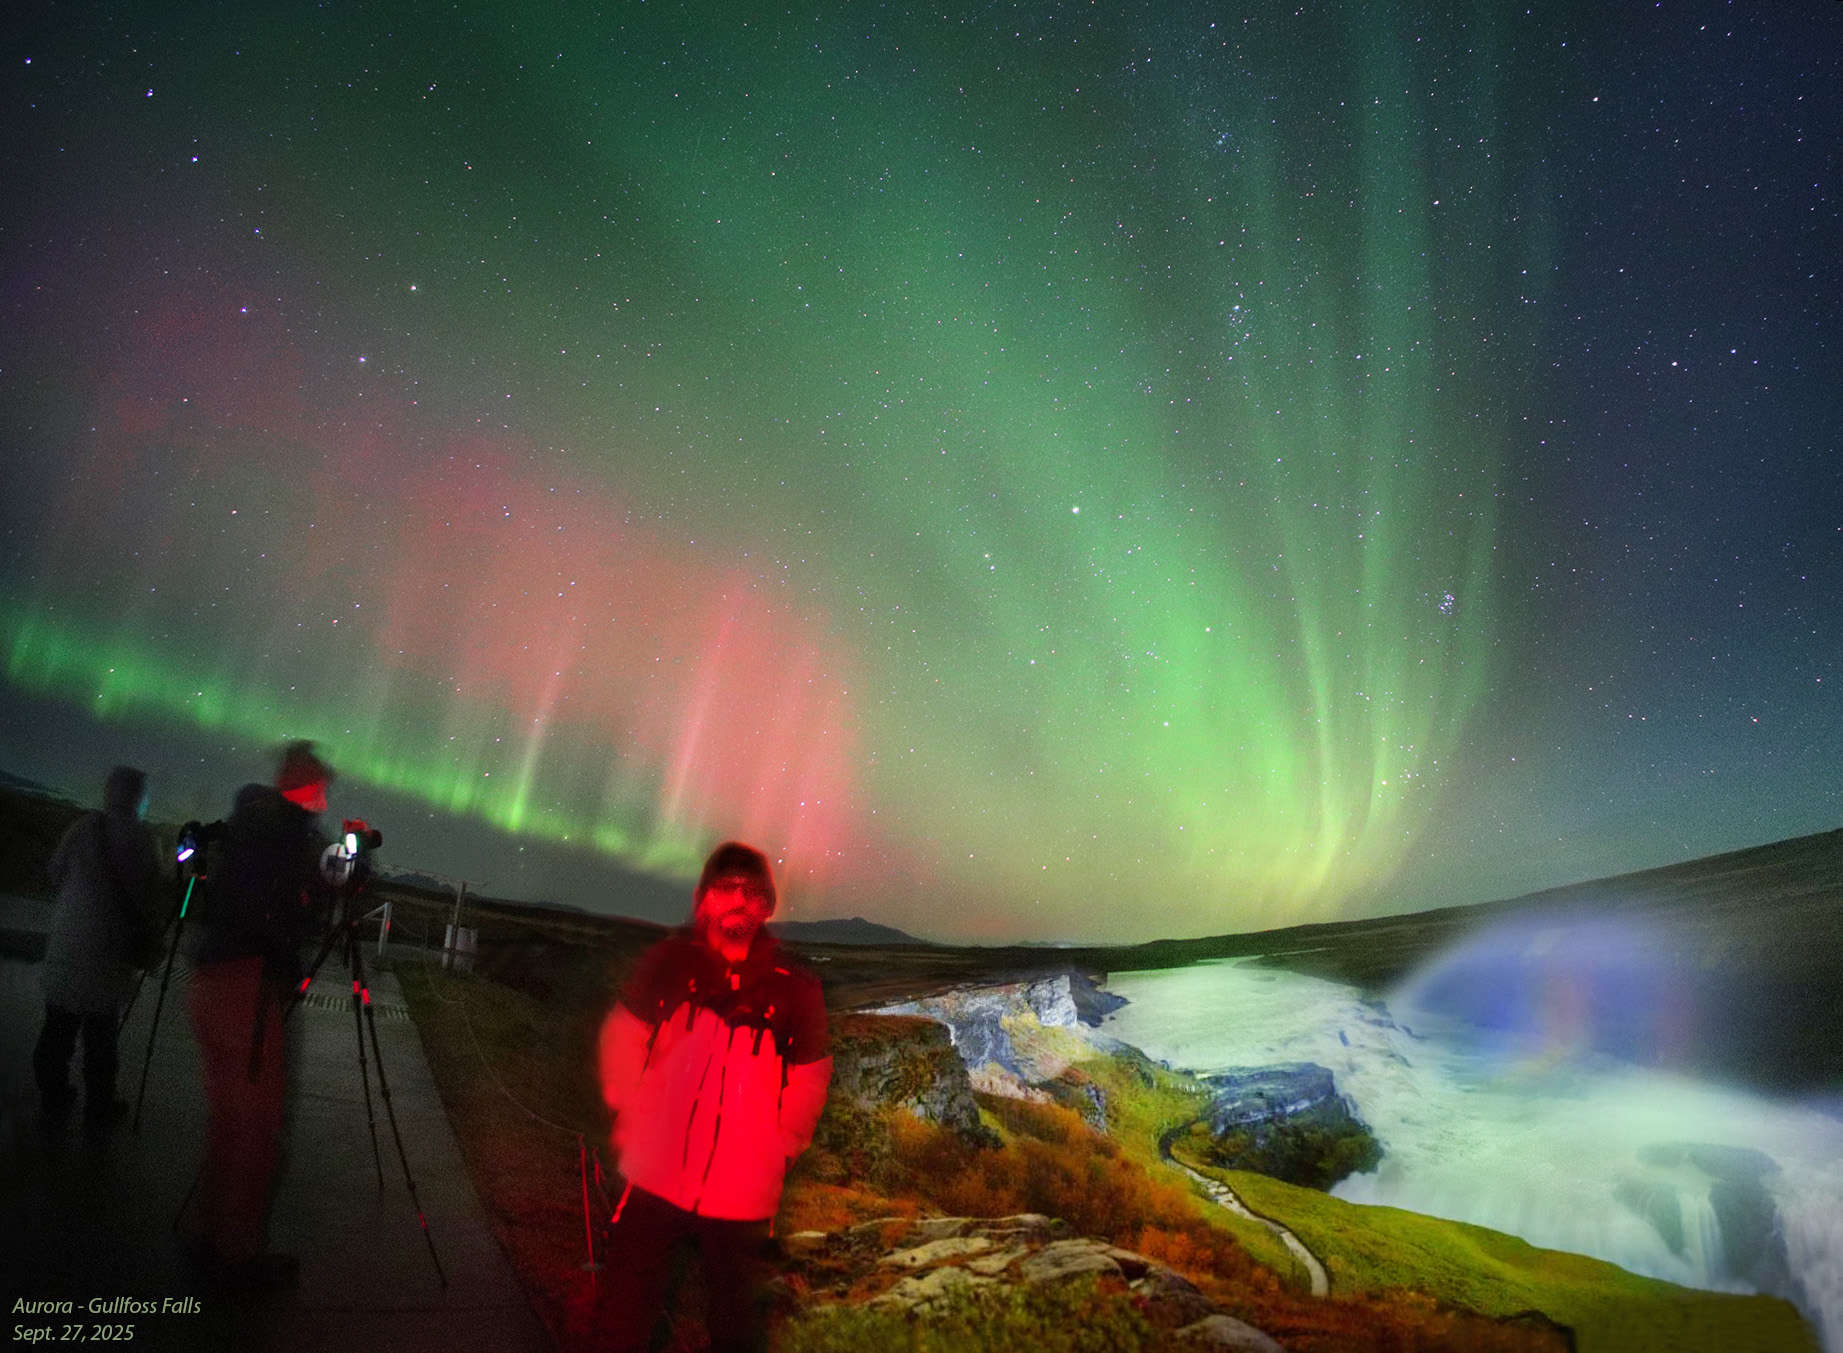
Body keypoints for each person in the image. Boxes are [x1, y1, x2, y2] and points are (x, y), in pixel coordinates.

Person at [596, 841, 833, 1353]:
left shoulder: (795, 987)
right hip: (654, 1175)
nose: (738, 901)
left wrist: (778, 1150)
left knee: (739, 1324)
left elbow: (810, 1078)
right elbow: (624, 1038)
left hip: (743, 1193)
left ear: (767, 905)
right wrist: (634, 1120)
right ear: (704, 898)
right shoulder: (668, 962)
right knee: (622, 1314)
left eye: (751, 892)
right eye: (726, 888)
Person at [183, 740, 334, 1289]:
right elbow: (299, 909)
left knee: (227, 1121)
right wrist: (330, 881)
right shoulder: (288, 833)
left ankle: (209, 1236)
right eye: (319, 786)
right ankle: (239, 1254)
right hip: (251, 985)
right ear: (302, 784)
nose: (323, 798)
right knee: (258, 1128)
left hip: (210, 980)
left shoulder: (245, 821)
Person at [33, 765, 159, 1125]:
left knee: (57, 1029)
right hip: (110, 952)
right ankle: (99, 1105)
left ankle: (53, 1095)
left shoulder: (84, 827)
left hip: (68, 943)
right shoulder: (143, 839)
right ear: (138, 797)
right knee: (101, 1037)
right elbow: (150, 896)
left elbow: (55, 872)